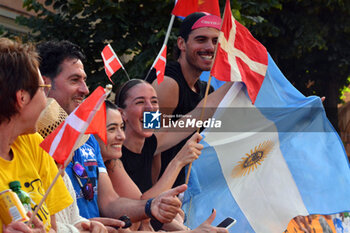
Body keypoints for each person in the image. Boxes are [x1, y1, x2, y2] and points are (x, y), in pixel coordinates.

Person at [37, 40, 186, 229]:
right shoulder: (33, 138)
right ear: (45, 83)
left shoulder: (88, 138)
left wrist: (151, 206)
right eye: (75, 80)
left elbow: (110, 203)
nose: (85, 89)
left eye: (155, 101)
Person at [96, 100, 229, 233]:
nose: (150, 107)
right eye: (140, 102)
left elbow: (148, 214)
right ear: (122, 112)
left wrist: (185, 229)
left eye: (154, 101)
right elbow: (146, 207)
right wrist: (178, 162)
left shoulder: (130, 153)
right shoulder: (110, 156)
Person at [0, 38, 72, 232]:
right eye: (43, 89)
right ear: (21, 97)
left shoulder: (34, 142)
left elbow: (53, 228)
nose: (47, 99)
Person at [146, 12, 222, 187]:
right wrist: (152, 198)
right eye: (201, 40)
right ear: (182, 43)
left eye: (215, 41)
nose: (210, 47)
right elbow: (149, 144)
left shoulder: (206, 89)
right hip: (155, 194)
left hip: (180, 189)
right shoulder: (167, 83)